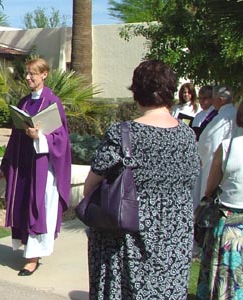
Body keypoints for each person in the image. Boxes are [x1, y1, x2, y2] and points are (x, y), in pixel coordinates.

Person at [83, 60, 200, 299]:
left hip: (126, 239)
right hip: (173, 241)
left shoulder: (122, 134)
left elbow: (90, 186)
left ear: (137, 92)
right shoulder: (188, 136)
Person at [0, 58, 72, 276]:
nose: (28, 77)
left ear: (44, 74)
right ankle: (28, 250)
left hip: (42, 166)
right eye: (27, 73)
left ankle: (33, 258)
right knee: (21, 204)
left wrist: (39, 136)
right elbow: (15, 135)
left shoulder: (52, 102)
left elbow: (61, 138)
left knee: (36, 206)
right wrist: (7, 163)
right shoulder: (23, 102)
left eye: (33, 73)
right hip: (23, 164)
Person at [196, 100, 243, 299]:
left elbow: (210, 188)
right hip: (230, 221)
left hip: (227, 225)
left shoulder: (227, 147)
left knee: (221, 281)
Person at [196, 85, 237, 209]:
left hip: (218, 165)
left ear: (220, 99)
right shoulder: (236, 115)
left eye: (213, 98)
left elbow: (208, 145)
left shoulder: (220, 119)